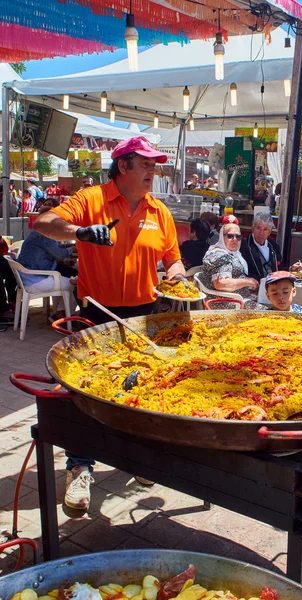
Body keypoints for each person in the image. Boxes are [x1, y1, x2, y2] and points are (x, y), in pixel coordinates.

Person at [34, 136, 186, 511]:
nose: (154, 171)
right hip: (95, 313)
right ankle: (80, 468)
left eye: (155, 165)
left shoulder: (159, 211)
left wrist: (179, 277)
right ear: (124, 166)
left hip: (145, 314)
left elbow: (174, 260)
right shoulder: (91, 199)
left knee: (144, 390)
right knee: (83, 393)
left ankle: (140, 458)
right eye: (146, 164)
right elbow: (43, 223)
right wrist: (79, 233)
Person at [17, 198, 77, 321]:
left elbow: (52, 249)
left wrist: (67, 248)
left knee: (71, 273)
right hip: (36, 278)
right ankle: (61, 316)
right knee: (77, 282)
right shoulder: (43, 233)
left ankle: (60, 313)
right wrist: (74, 249)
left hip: (30, 274)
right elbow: (59, 254)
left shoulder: (37, 231)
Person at [202, 220, 260, 308]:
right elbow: (221, 283)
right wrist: (247, 282)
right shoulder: (220, 256)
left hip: (240, 299)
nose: (234, 239)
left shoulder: (235, 254)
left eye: (238, 237)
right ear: (222, 237)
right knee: (270, 313)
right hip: (226, 303)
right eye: (230, 236)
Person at [240, 213, 282, 282]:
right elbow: (243, 271)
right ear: (253, 229)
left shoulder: (274, 246)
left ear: (269, 232)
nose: (261, 233)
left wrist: (291, 269)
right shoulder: (244, 246)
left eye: (265, 229)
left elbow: (280, 267)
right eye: (258, 228)